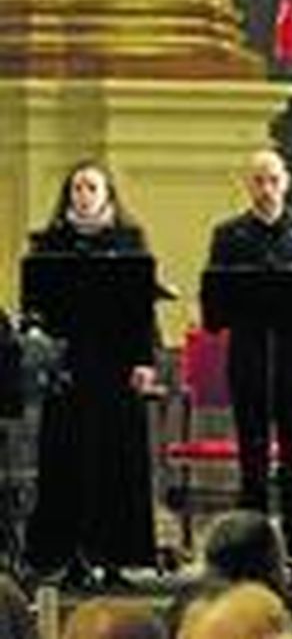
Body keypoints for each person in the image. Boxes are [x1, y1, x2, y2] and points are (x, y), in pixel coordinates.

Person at [23, 160, 161, 586]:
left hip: (117, 366)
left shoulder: (129, 242)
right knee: (67, 461)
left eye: (92, 187)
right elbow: (34, 309)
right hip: (66, 366)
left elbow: (142, 312)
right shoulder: (49, 245)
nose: (83, 194)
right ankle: (69, 559)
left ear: (108, 195)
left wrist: (144, 362)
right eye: (77, 187)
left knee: (117, 461)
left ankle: (116, 559)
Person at [205, 148, 292, 563]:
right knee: (253, 460)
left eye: (273, 179)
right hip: (248, 358)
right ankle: (253, 551)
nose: (266, 188)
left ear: (287, 181)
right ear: (248, 185)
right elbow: (215, 310)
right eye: (258, 180)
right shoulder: (228, 236)